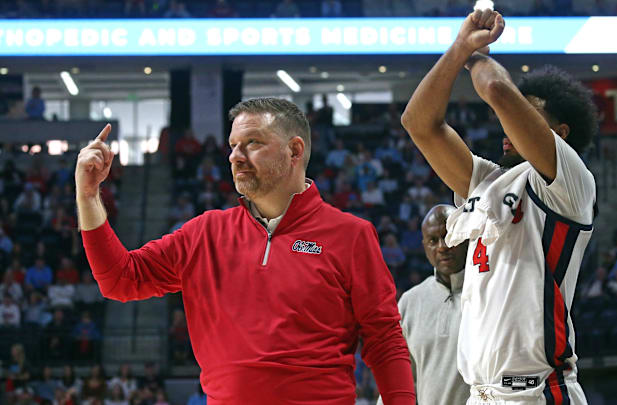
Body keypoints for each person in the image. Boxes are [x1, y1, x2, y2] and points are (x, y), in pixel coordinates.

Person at [76, 98, 414, 404]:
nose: (236, 156)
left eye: (252, 143)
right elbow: (119, 280)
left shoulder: (350, 235)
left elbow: (384, 340)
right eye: (233, 145)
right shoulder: (203, 234)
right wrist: (89, 197)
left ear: (294, 151)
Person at [401, 8, 597, 404]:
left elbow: (497, 91)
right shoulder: (485, 180)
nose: (503, 125)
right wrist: (458, 48)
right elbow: (419, 123)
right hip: (480, 395)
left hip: (539, 392)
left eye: (526, 115)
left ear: (559, 134)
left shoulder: (572, 183)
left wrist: (476, 51)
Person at [378, 205, 470, 405]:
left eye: (448, 236)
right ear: (424, 246)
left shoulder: (487, 293)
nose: (442, 246)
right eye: (433, 240)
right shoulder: (411, 301)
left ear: (466, 237)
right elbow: (400, 380)